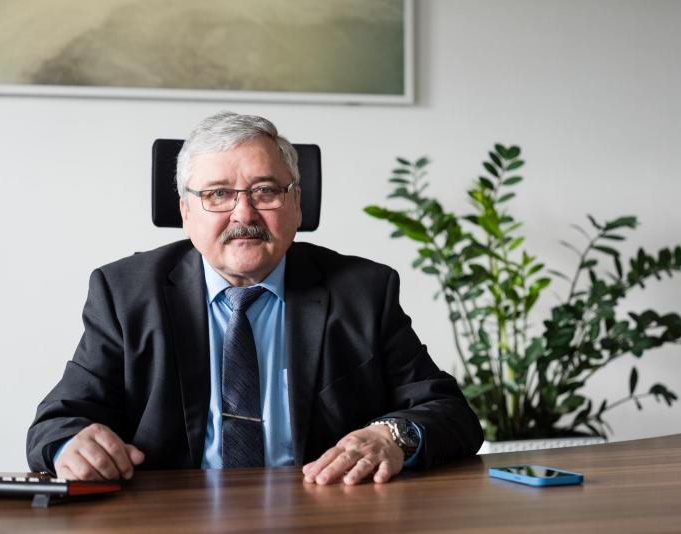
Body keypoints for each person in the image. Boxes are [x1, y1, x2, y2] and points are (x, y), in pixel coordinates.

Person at [26, 112, 482, 485]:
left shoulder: (362, 291)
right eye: (218, 194)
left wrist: (392, 437)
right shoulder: (126, 293)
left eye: (265, 191)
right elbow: (57, 423)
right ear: (185, 211)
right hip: (170, 517)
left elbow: (452, 415)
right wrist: (72, 445)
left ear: (297, 205)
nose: (243, 213)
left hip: (325, 512)